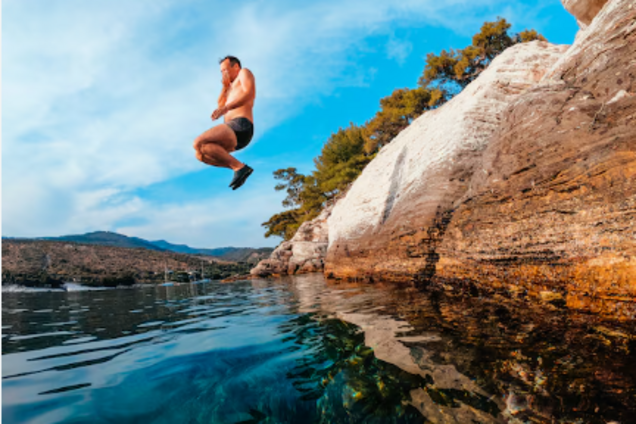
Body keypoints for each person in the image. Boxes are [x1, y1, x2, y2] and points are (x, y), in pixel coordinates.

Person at [194, 55, 256, 190]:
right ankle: (239, 168)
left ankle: (239, 167)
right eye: (221, 71)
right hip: (233, 133)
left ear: (236, 67)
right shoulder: (229, 87)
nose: (223, 73)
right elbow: (220, 104)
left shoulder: (244, 73)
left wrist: (226, 108)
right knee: (201, 153)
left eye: (225, 70)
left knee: (198, 142)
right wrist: (225, 86)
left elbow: (249, 94)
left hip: (241, 125)